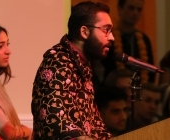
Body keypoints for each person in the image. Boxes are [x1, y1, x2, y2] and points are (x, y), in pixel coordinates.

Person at [31, 1, 114, 140]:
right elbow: (55, 121)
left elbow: (95, 125)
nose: (112, 37)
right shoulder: (58, 62)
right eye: (106, 29)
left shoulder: (83, 64)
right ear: (84, 32)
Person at [96, 0, 155, 85]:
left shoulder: (144, 40)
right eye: (131, 8)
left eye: (139, 9)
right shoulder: (107, 36)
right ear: (120, 9)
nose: (135, 13)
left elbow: (150, 71)